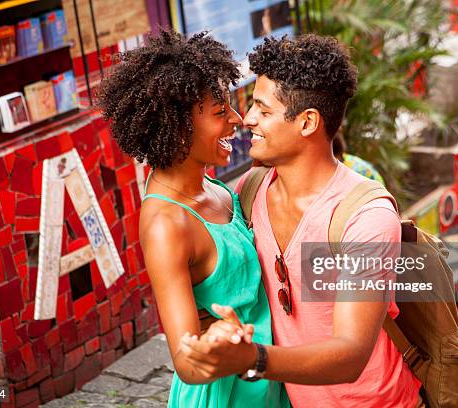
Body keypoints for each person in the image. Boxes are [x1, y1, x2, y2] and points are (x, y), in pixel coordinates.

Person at [179, 35, 423, 407]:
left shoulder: (365, 218)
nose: (248, 120)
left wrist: (253, 359)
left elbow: (351, 354)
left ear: (308, 122)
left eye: (263, 109)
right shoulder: (250, 189)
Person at [96, 30, 289, 408]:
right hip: (227, 393)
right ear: (178, 123)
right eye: (221, 112)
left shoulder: (214, 188)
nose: (237, 119)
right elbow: (187, 362)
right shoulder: (167, 223)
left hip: (266, 378)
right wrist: (219, 341)